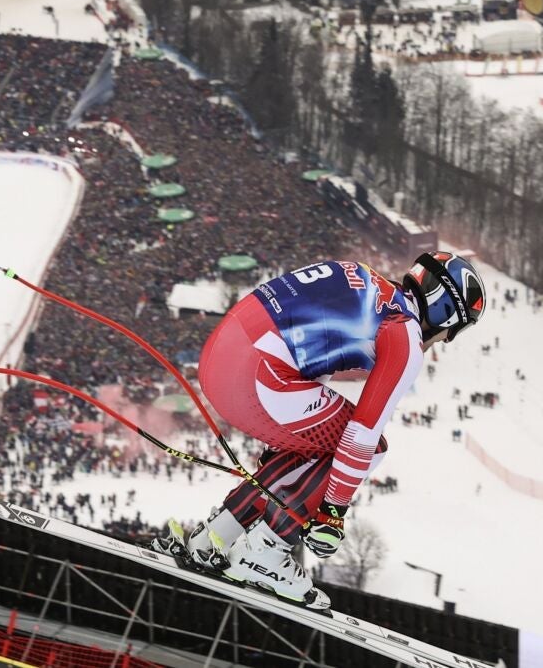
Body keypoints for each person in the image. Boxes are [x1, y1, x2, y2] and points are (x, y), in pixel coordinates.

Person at [153, 252, 484, 609]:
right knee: (372, 449)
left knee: (313, 446)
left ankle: (216, 535)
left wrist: (287, 441)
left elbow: (310, 350)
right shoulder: (404, 331)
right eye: (454, 330)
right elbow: (363, 435)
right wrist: (333, 513)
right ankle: (265, 550)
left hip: (222, 357)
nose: (446, 339)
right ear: (446, 311)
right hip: (259, 377)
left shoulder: (366, 278)